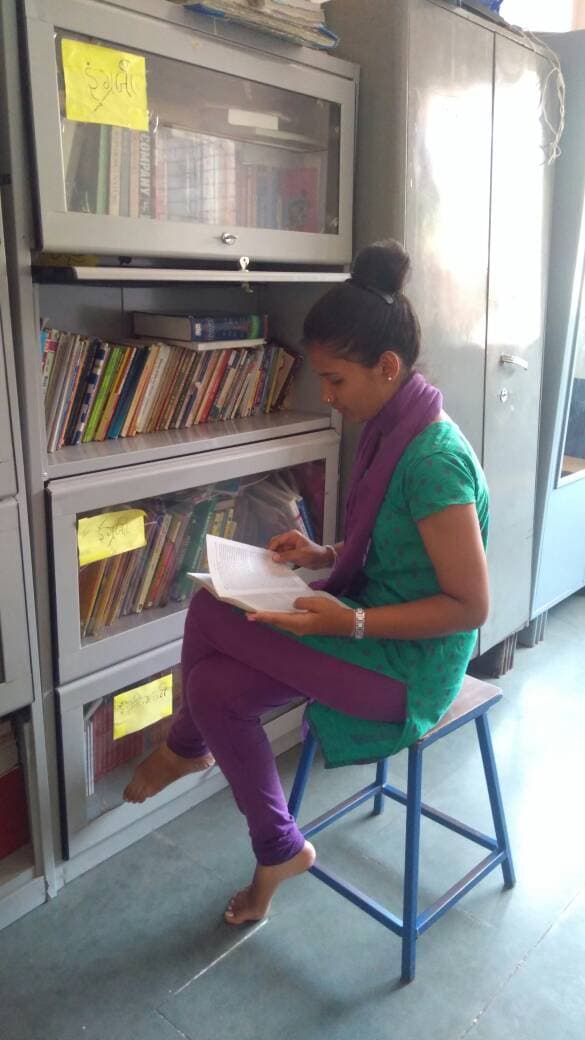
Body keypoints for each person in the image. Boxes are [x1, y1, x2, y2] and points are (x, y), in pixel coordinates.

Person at [123, 240, 490, 927]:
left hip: (409, 668)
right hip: (366, 624)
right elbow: (399, 548)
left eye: (335, 379)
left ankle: (183, 750)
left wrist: (343, 622)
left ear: (387, 368)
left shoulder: (432, 460)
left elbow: (469, 605)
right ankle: (277, 847)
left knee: (208, 613)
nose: (326, 395)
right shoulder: (392, 428)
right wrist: (323, 552)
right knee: (213, 690)